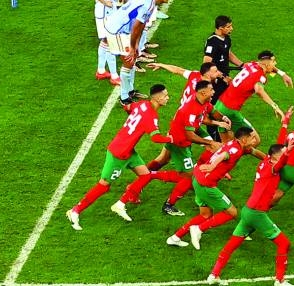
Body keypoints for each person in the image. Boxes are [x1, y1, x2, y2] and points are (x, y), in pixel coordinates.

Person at [65, 84, 173, 230]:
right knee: (104, 185)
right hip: (119, 153)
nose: (168, 98)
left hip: (128, 150)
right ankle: (75, 210)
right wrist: (171, 139)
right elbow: (155, 138)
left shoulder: (141, 104)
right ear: (158, 98)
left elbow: (127, 108)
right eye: (166, 95)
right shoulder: (151, 116)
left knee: (145, 176)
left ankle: (126, 200)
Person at [114, 80, 225, 217]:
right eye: (211, 89)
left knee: (161, 161)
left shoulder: (202, 102)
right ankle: (168, 204)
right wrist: (208, 142)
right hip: (179, 143)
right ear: (203, 92)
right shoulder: (191, 108)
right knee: (190, 177)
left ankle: (135, 187)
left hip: (175, 137)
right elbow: (189, 135)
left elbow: (209, 112)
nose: (214, 91)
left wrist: (223, 119)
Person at [207, 143, 294, 286]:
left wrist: (284, 123)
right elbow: (281, 162)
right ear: (275, 156)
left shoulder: (265, 162)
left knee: (232, 244)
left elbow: (277, 150)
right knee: (284, 244)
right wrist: (287, 152)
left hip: (248, 210)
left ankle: (214, 274)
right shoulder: (272, 168)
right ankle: (280, 281)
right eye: (282, 153)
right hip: (257, 213)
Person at [166, 127, 264, 249]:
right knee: (231, 212)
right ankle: (198, 229)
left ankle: (175, 238)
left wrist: (268, 160)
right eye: (252, 137)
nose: (255, 140)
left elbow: (253, 151)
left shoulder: (233, 143)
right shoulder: (235, 150)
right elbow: (223, 155)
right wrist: (213, 166)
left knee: (205, 215)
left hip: (198, 179)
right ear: (244, 139)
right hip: (206, 184)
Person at [103, 0, 174, 106]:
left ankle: (130, 91)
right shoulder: (149, 5)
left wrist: (136, 45)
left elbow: (140, 26)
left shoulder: (149, 0)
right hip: (117, 30)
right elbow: (136, 26)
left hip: (122, 26)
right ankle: (124, 98)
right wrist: (132, 46)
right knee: (128, 61)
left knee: (133, 59)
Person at [212, 50, 288, 144]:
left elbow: (269, 68)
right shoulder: (261, 77)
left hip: (219, 106)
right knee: (255, 140)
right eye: (273, 61)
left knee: (225, 145)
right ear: (267, 64)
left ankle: (218, 155)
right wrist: (275, 106)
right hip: (230, 110)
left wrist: (282, 74)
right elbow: (259, 91)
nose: (275, 63)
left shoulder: (251, 64)